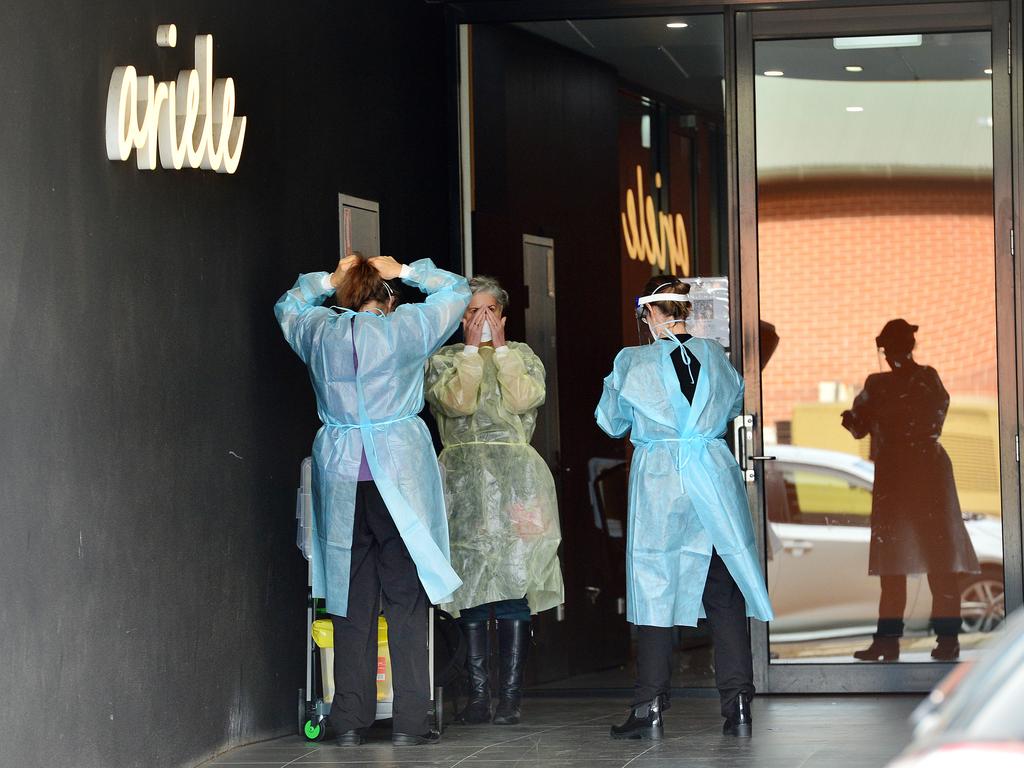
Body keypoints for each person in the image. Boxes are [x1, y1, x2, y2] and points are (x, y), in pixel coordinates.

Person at [275, 254, 470, 746]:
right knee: (405, 599)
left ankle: (350, 721)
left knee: (349, 600)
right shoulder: (406, 329)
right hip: (396, 478)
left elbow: (288, 305)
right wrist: (405, 269)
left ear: (345, 296)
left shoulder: (320, 330)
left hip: (342, 479)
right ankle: (409, 720)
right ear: (388, 297)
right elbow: (457, 292)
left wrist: (328, 279)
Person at [595, 275, 773, 740]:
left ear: (648, 314)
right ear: (686, 312)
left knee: (655, 586)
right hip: (712, 474)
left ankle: (649, 704)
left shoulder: (632, 361)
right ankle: (737, 706)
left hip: (662, 479)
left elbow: (610, 423)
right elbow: (733, 403)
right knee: (723, 592)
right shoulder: (715, 356)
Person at [424, 276, 564, 726]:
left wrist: (500, 350)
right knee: (470, 584)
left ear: (502, 316)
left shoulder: (522, 356)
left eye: (487, 311)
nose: (479, 320)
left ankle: (510, 697)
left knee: (513, 580)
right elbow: (457, 404)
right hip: (462, 482)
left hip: (516, 482)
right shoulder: (444, 360)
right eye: (470, 313)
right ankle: (479, 696)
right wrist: (469, 351)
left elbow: (526, 397)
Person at [842, 319, 979, 662]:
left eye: (892, 349)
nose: (890, 356)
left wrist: (863, 418)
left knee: (918, 562)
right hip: (917, 471)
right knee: (918, 561)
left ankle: (910, 641)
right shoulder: (915, 380)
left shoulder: (895, 382)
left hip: (908, 473)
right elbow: (864, 426)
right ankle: (933, 640)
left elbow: (860, 426)